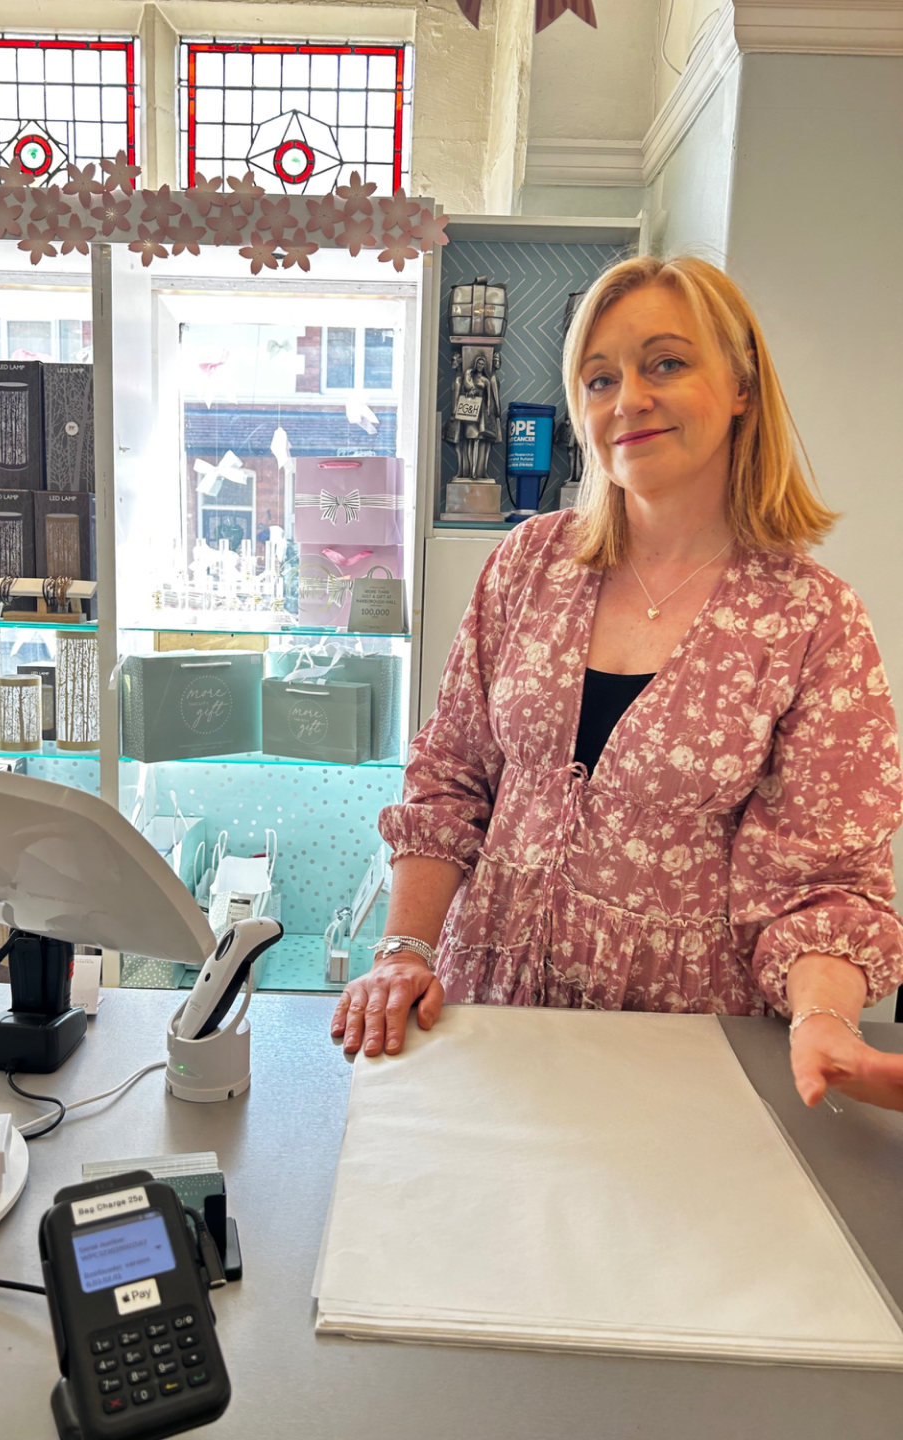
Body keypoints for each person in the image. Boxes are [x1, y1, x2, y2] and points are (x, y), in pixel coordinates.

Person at [332, 254, 903, 1113]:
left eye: (665, 363)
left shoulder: (811, 619)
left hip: (679, 1052)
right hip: (487, 1020)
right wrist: (403, 949)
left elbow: (824, 882)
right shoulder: (528, 565)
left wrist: (823, 1017)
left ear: (741, 386)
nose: (628, 399)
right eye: (600, 379)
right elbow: (450, 779)